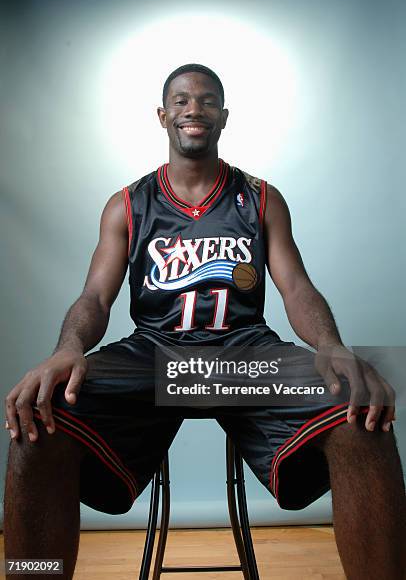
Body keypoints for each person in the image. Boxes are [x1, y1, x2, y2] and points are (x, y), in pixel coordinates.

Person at [4, 63, 405, 580]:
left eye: (207, 100)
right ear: (162, 115)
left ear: (224, 116)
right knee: (38, 415)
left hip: (245, 358)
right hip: (155, 359)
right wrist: (67, 349)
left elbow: (296, 286)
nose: (194, 109)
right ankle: (31, 574)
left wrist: (331, 343)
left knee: (362, 401)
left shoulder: (260, 197)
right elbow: (95, 298)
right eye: (181, 100)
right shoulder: (127, 205)